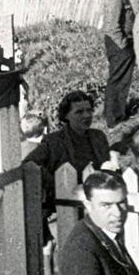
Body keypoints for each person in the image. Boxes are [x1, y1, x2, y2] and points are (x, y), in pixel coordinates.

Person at [24, 91, 119, 247]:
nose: (86, 115)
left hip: (96, 206)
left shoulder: (98, 137)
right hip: (65, 209)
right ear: (66, 115)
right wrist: (52, 182)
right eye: (79, 112)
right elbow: (29, 164)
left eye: (89, 110)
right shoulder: (53, 141)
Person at [102, 0, 136, 127]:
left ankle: (112, 113)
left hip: (120, 42)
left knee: (119, 80)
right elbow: (112, 25)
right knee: (119, 81)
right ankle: (115, 119)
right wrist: (123, 45)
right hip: (119, 44)